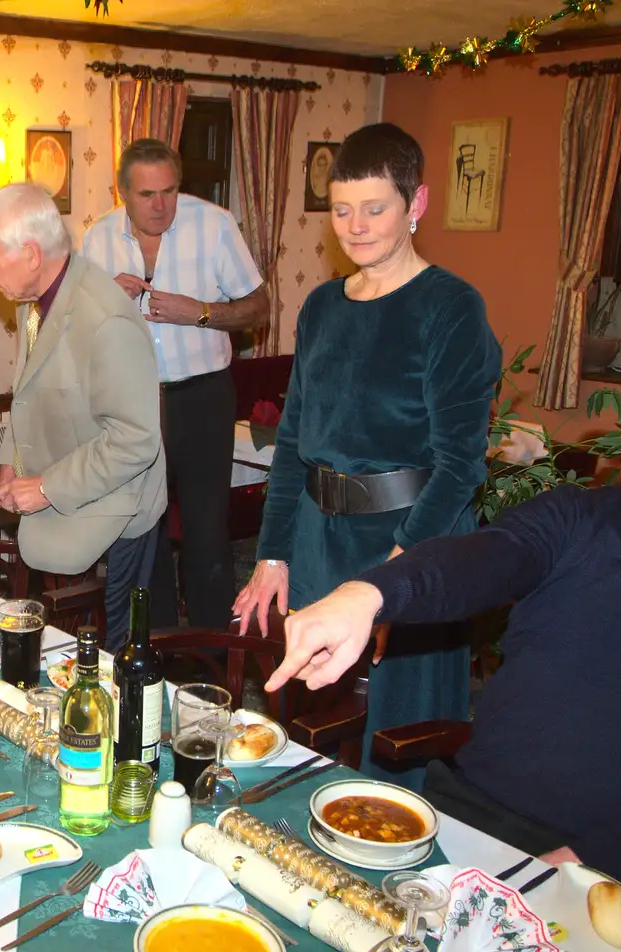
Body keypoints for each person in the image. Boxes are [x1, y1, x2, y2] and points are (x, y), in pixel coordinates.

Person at [261, 313, 621, 939]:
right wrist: (368, 592)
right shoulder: (578, 516)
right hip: (468, 816)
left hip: (618, 871)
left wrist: (601, 860)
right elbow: (487, 558)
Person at [233, 123, 500, 780]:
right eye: (342, 208)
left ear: (417, 204)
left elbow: (460, 465)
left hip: (414, 540)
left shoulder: (451, 307)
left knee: (397, 748)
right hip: (321, 539)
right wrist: (273, 551)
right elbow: (293, 442)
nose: (355, 226)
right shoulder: (323, 305)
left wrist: (396, 576)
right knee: (303, 723)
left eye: (375, 208)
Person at [82, 138, 270, 633]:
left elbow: (258, 306)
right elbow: (72, 327)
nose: (160, 206)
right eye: (146, 195)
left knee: (208, 534)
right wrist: (106, 301)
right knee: (144, 532)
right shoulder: (96, 238)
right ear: (122, 192)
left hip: (202, 396)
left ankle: (213, 656)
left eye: (169, 191)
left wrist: (201, 312)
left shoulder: (215, 225)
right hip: (132, 403)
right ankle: (153, 648)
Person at [0, 183, 167, 649]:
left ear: (29, 253)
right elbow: (29, 392)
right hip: (72, 507)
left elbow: (135, 442)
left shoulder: (105, 320)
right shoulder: (35, 301)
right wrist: (12, 457)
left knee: (111, 661)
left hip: (119, 516)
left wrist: (43, 487)